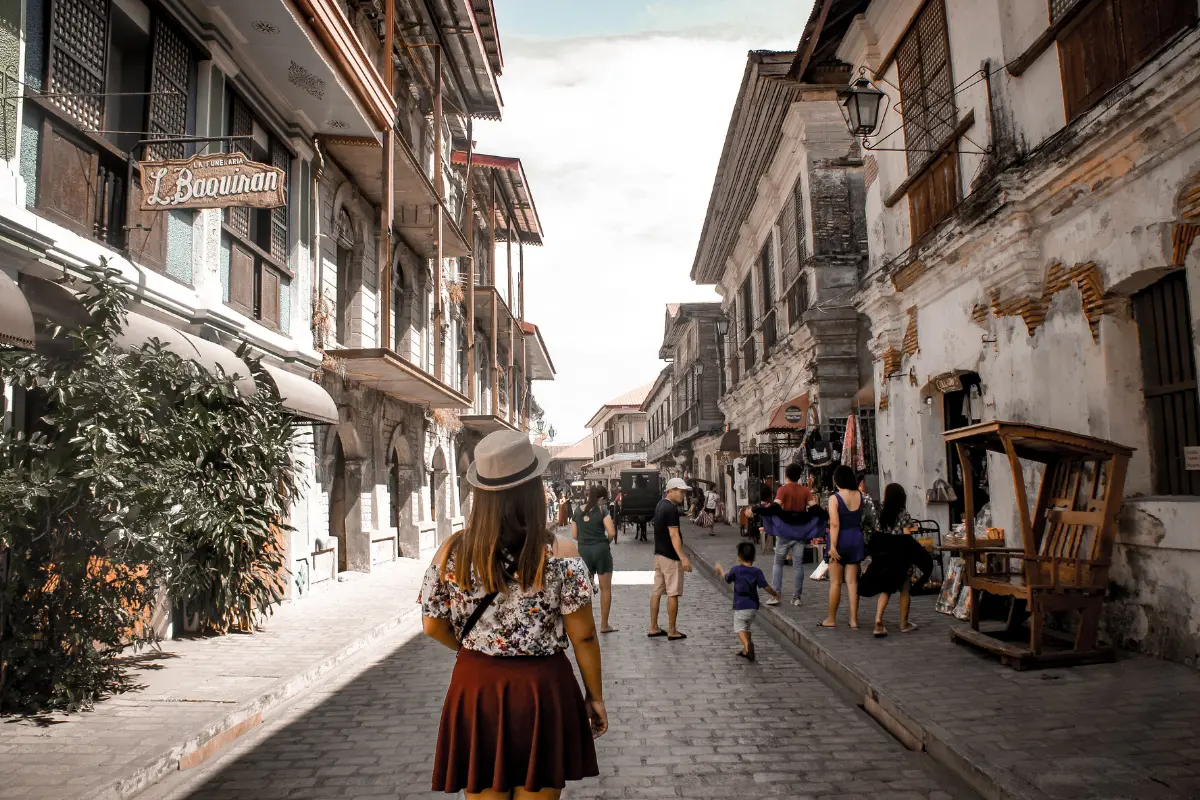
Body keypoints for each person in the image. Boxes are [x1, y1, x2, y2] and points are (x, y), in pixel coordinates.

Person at [420, 430, 604, 799]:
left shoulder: (452, 552)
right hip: (542, 689)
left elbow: (431, 624)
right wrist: (595, 696)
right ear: (534, 492)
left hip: (476, 686)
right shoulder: (561, 553)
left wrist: (474, 647)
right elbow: (583, 635)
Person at [859, 484, 932, 638]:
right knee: (904, 590)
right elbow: (907, 537)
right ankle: (904, 624)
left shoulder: (880, 513)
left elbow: (878, 535)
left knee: (886, 589)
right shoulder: (904, 514)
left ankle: (878, 620)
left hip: (885, 557)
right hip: (901, 557)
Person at [818, 465, 867, 630]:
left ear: (837, 480)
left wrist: (832, 546)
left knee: (836, 583)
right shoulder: (860, 495)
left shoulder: (835, 498)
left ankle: (831, 618)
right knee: (853, 582)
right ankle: (854, 619)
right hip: (856, 538)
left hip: (840, 540)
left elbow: (835, 523)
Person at [714, 542, 779, 661]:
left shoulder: (736, 570)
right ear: (753, 557)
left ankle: (747, 646)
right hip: (753, 607)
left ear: (739, 557)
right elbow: (765, 586)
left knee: (739, 628)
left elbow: (727, 579)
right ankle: (746, 650)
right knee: (747, 627)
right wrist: (775, 594)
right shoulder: (757, 571)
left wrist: (720, 570)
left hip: (740, 606)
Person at [649, 477, 692, 641]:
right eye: (680, 492)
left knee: (657, 592)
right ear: (671, 491)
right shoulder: (671, 509)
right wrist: (683, 557)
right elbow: (674, 535)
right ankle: (672, 630)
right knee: (672, 593)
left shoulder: (660, 505)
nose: (683, 495)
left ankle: (653, 627)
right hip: (670, 556)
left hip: (659, 554)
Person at [572, 485, 618, 634]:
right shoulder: (602, 510)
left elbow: (574, 535)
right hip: (601, 550)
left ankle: (587, 624)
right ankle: (604, 625)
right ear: (602, 498)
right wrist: (606, 542)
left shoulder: (578, 511)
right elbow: (611, 532)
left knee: (586, 589)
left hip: (584, 551)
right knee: (605, 589)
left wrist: (585, 540)